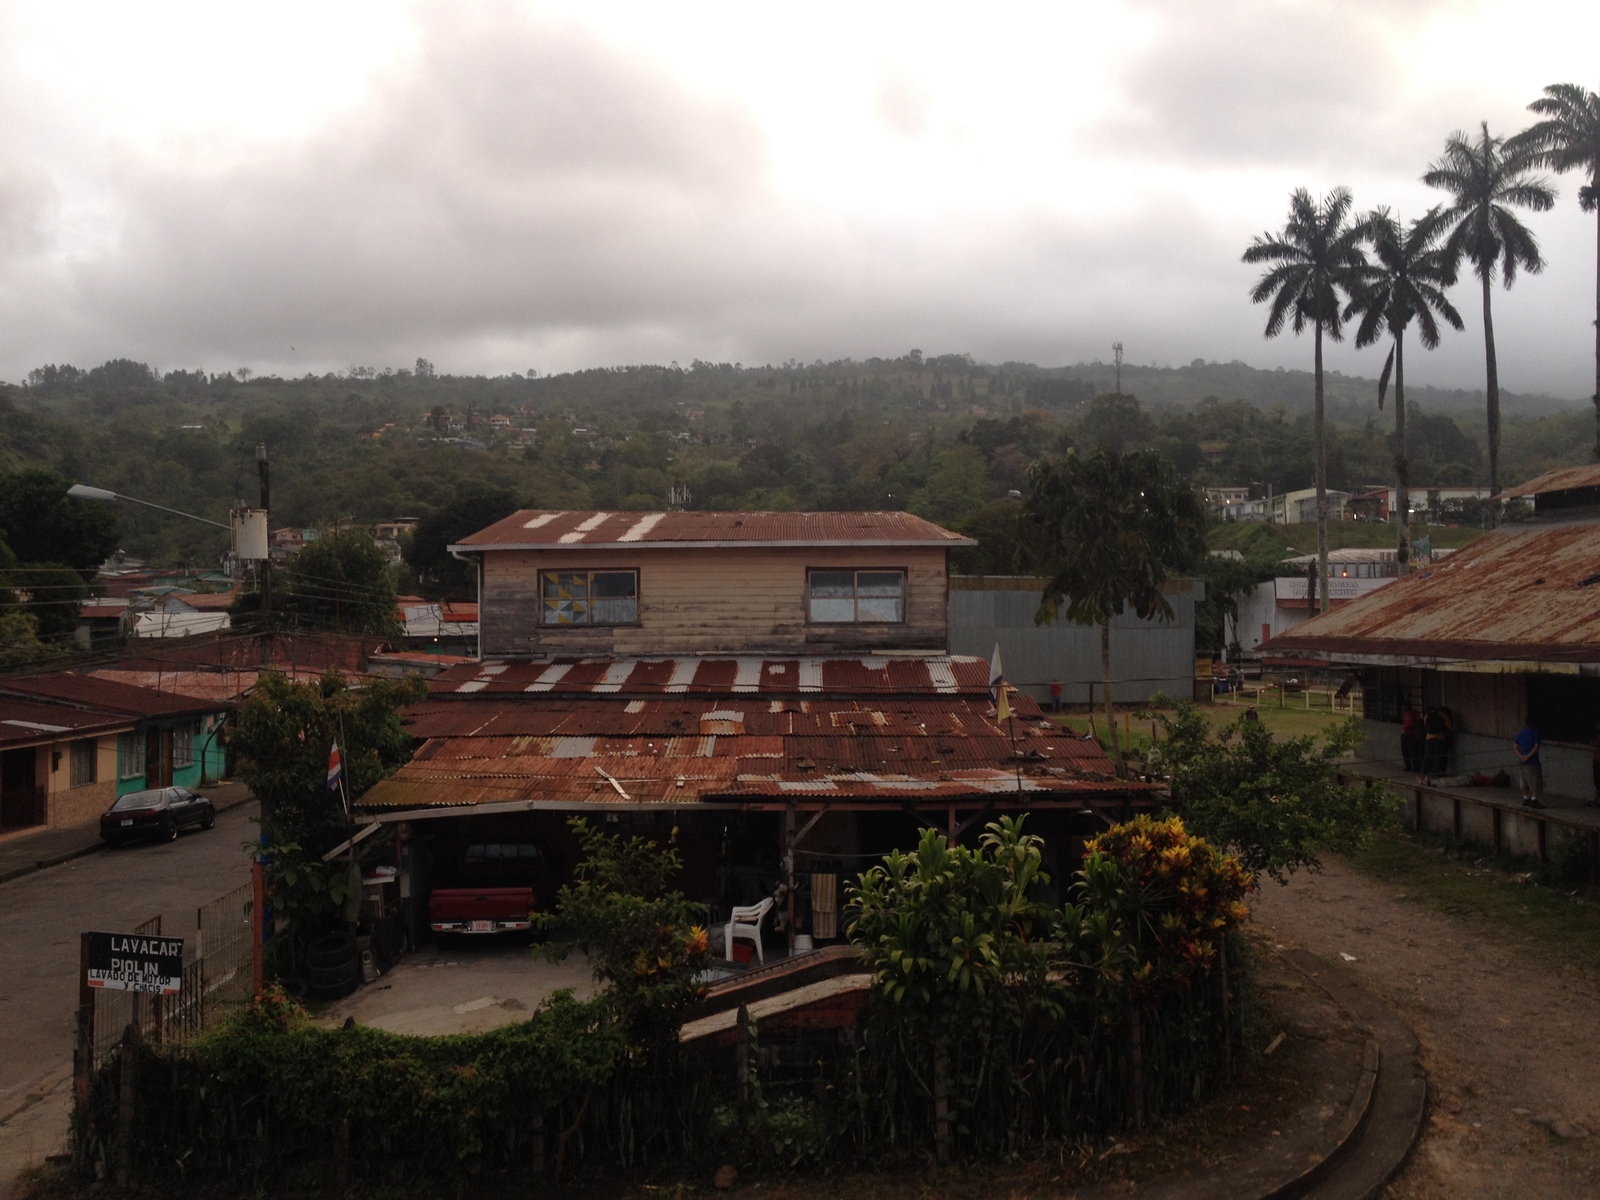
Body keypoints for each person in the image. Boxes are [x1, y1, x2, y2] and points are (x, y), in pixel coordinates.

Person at [1514, 724, 1543, 808]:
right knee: (1535, 780)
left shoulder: (1519, 734)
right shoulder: (1535, 734)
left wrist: (1521, 756)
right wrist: (1528, 756)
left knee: (1524, 780)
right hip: (1532, 762)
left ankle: (1525, 797)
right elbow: (1536, 747)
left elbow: (1515, 747)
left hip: (1522, 762)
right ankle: (1534, 799)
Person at [1423, 706, 1453, 778]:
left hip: (1429, 738)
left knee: (1427, 755)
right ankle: (1437, 773)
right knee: (1438, 756)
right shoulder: (1442, 714)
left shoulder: (1427, 716)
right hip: (1439, 738)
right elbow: (1449, 726)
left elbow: (1425, 726)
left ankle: (1425, 771)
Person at [1400, 707, 1424, 778]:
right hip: (1405, 733)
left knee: (1413, 751)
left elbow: (1419, 722)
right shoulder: (1404, 713)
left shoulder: (1415, 713)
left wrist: (1413, 727)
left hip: (1412, 734)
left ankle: (1416, 767)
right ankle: (1408, 766)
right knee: (1405, 751)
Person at [1589, 718, 1600, 809]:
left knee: (1598, 781)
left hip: (1598, 761)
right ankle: (1596, 801)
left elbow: (1595, 743)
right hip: (1596, 760)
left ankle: (1596, 801)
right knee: (1597, 782)